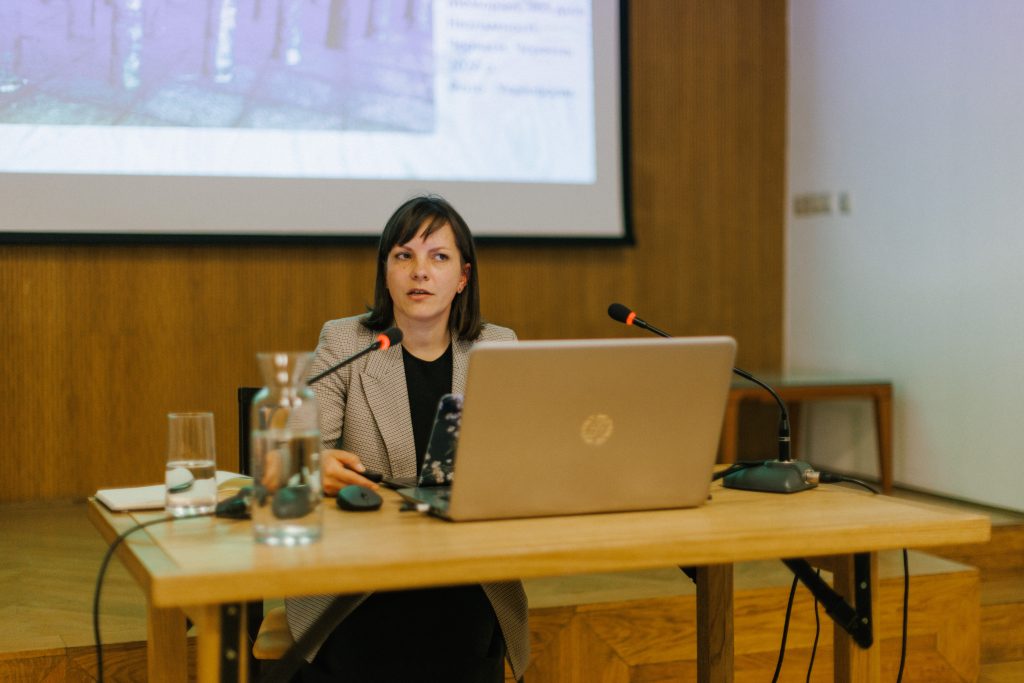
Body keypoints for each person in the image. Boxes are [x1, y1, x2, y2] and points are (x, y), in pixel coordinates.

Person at [286, 196, 529, 682]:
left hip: (468, 569)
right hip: (362, 578)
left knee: (461, 630)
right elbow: (294, 447)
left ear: (462, 277)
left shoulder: (497, 347)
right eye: (404, 256)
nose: (420, 271)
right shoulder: (346, 341)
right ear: (386, 272)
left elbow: (524, 456)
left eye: (438, 257)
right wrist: (315, 465)